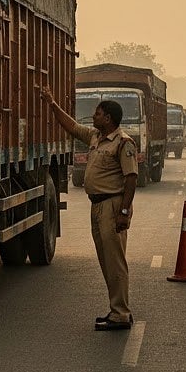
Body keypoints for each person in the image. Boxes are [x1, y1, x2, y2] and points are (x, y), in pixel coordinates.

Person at [39, 84, 137, 330]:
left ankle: (121, 314)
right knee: (105, 259)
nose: (93, 117)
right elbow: (71, 126)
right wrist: (51, 103)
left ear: (108, 118)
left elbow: (131, 179)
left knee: (115, 261)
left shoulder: (123, 143)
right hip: (97, 206)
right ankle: (117, 309)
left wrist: (124, 212)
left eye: (97, 113)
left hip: (112, 205)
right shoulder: (95, 137)